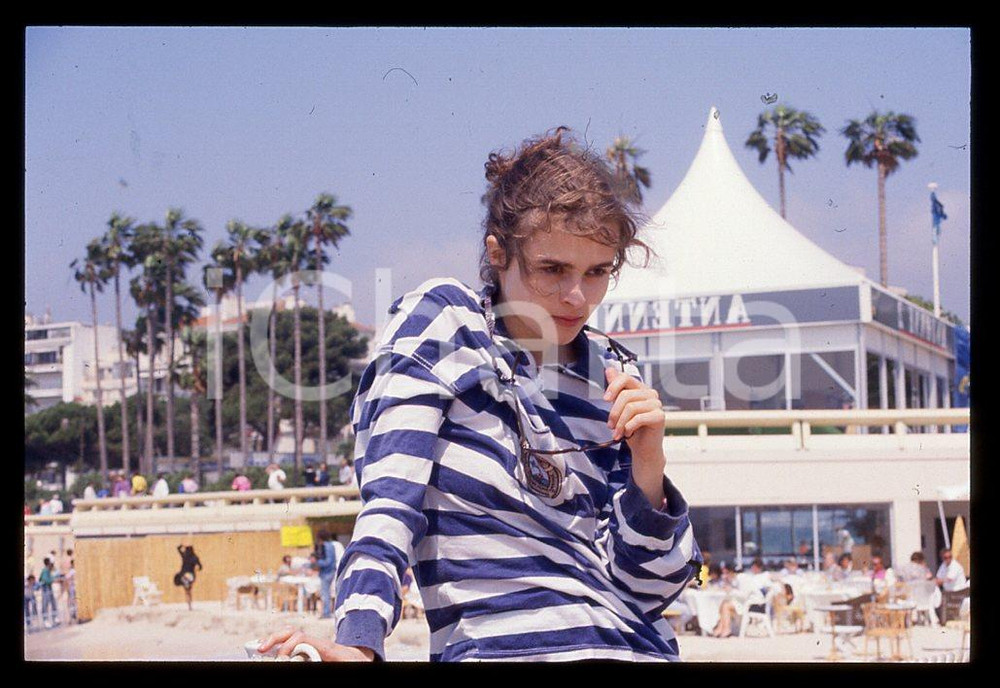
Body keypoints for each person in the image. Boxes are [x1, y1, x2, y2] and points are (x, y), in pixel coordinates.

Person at [260, 127, 701, 662]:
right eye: (552, 269)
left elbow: (648, 592)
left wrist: (648, 464)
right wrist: (359, 643)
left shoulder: (613, 371)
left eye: (598, 271)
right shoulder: (447, 322)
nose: (577, 295)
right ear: (498, 253)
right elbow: (391, 501)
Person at [311, 530, 339, 620]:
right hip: (329, 572)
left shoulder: (326, 546)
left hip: (327, 572)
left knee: (325, 593)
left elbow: (328, 561)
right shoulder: (331, 545)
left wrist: (317, 562)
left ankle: (326, 613)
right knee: (326, 593)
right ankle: (326, 612)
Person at [173, 544, 203, 611]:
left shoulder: (185, 556)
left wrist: (182, 545)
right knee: (189, 590)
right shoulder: (195, 557)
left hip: (184, 575)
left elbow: (178, 548)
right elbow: (200, 567)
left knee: (187, 590)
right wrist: (197, 569)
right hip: (190, 575)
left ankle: (189, 604)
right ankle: (190, 604)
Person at [38, 558, 59, 628]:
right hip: (45, 591)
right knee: (45, 605)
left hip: (49, 590)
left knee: (53, 604)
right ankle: (45, 620)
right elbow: (45, 580)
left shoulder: (48, 571)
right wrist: (54, 580)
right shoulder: (45, 570)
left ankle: (55, 618)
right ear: (48, 563)